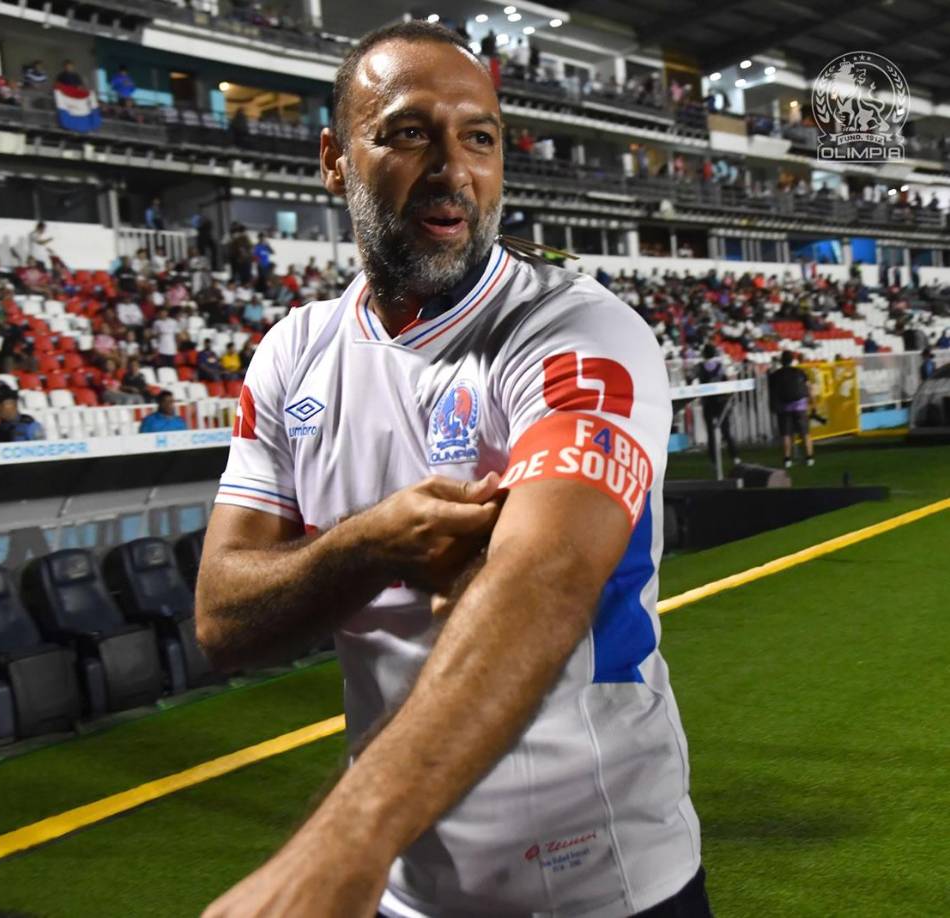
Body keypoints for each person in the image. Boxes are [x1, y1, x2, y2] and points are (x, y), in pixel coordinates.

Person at [198, 21, 709, 918]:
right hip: (407, 888)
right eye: (408, 133)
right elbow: (222, 616)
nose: (452, 168)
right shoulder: (292, 354)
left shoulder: (578, 330)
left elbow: (543, 581)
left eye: (479, 137)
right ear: (334, 160)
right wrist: (370, 544)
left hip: (600, 885)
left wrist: (343, 844)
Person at [768, 350, 814, 468]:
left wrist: (773, 406)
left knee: (786, 434)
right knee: (805, 433)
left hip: (784, 407)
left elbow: (772, 392)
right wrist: (812, 402)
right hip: (800, 406)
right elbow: (809, 387)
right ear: (792, 360)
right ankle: (809, 458)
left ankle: (787, 460)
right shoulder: (800, 372)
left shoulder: (775, 375)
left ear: (781, 361)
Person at [697, 344, 739, 468]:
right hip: (721, 402)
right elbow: (728, 381)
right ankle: (735, 457)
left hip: (708, 402)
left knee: (711, 433)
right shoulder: (721, 366)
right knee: (726, 430)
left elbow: (695, 381)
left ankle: (714, 460)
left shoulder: (700, 367)